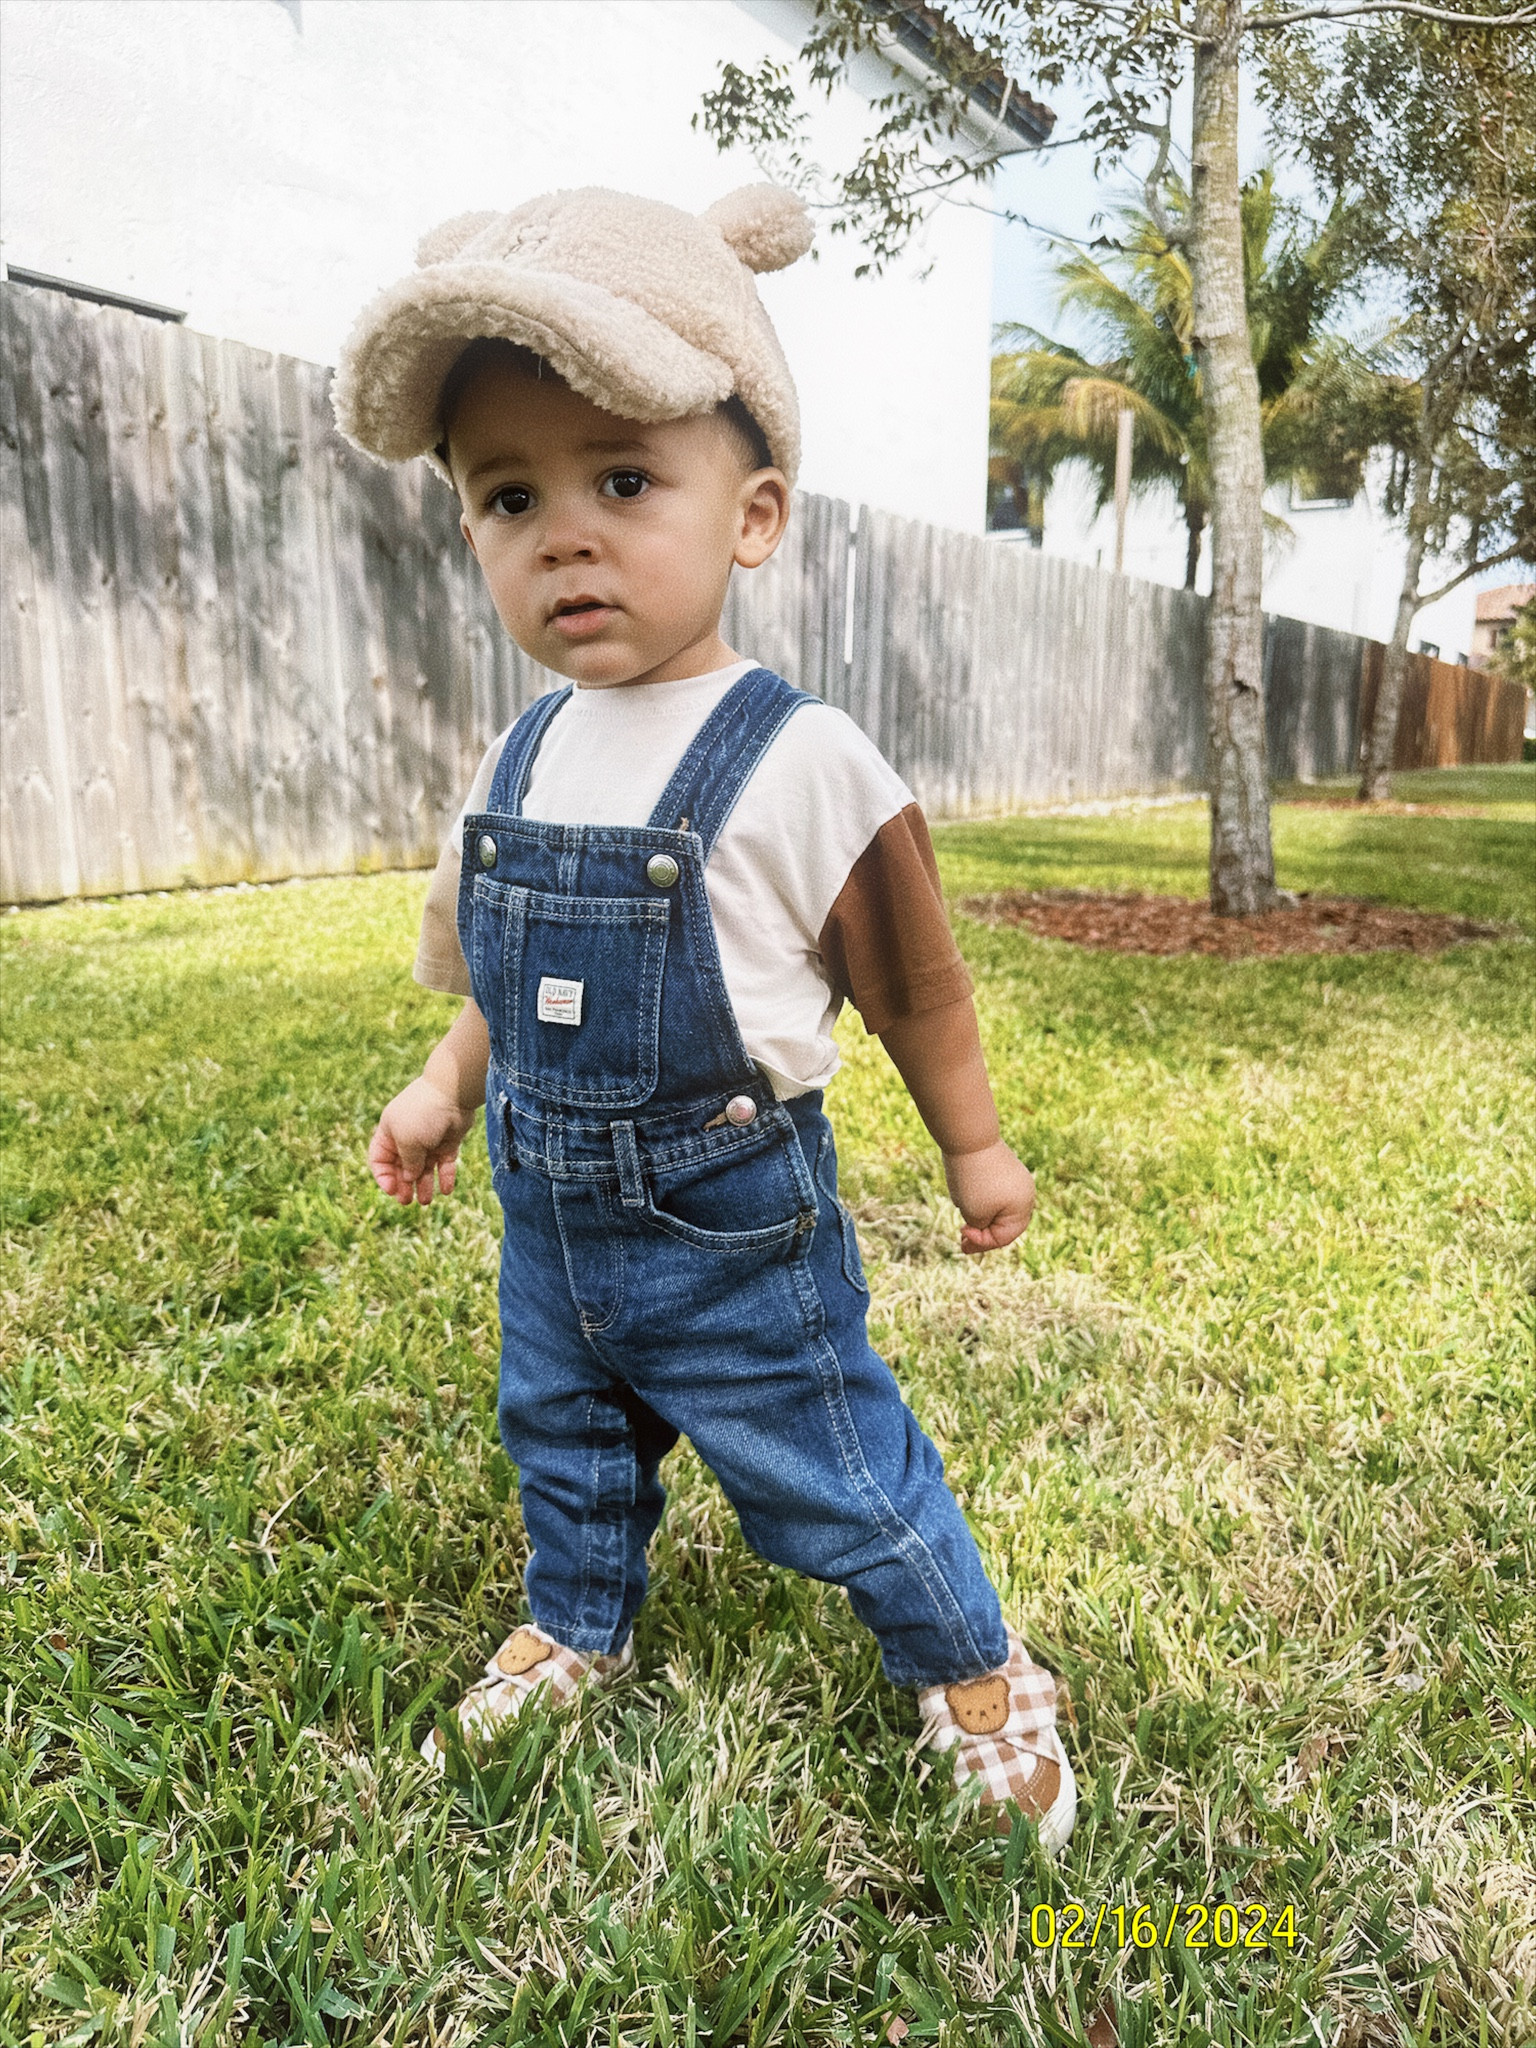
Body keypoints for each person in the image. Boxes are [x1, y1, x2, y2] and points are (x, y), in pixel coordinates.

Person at [335, 183, 1074, 1853]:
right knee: (564, 1431)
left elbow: (915, 983)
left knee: (827, 1455)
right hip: (551, 1209)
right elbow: (497, 990)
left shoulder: (800, 756)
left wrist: (977, 1143)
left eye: (621, 481)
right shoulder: (518, 757)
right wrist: (445, 1086)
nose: (564, 535)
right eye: (509, 496)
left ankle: (974, 1662)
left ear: (752, 514)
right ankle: (579, 1618)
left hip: (728, 1217)